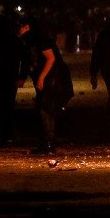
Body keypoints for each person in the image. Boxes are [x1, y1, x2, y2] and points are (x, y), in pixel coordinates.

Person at [18, 16, 74, 155]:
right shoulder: (28, 41)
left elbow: (51, 58)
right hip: (47, 79)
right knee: (44, 109)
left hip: (53, 79)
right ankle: (48, 141)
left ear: (27, 27)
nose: (18, 29)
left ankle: (49, 142)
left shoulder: (40, 39)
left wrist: (41, 78)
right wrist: (23, 77)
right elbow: (27, 60)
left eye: (20, 26)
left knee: (46, 109)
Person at [0, 13, 28, 149]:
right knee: (9, 105)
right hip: (10, 76)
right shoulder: (16, 41)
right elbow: (24, 59)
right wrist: (22, 76)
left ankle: (4, 134)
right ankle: (8, 135)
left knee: (0, 105)